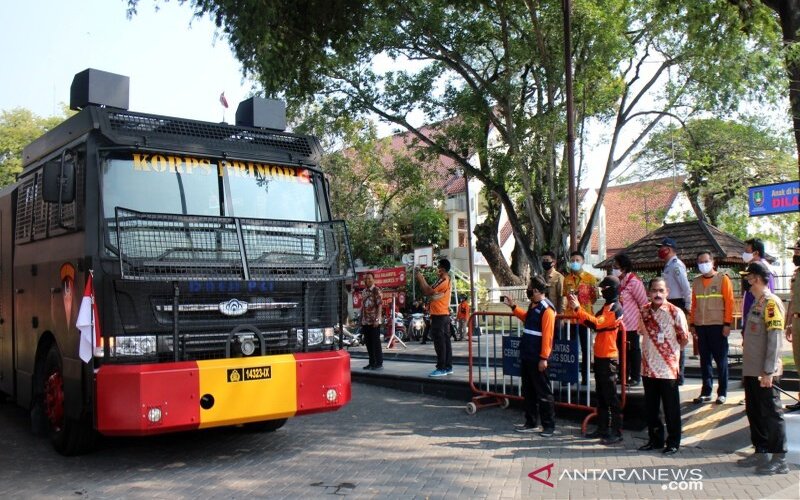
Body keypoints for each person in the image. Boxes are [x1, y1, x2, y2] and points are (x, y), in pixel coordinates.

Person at [736, 261, 788, 475]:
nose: (746, 281)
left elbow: (775, 340)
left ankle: (779, 459)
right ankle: (761, 452)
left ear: (756, 278)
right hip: (751, 370)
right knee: (755, 412)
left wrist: (768, 371)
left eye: (748, 278)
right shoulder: (757, 303)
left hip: (764, 372)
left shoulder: (770, 303)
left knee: (771, 414)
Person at [569, 276, 623, 445]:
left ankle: (616, 431)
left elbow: (597, 324)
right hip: (600, 356)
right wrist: (577, 310)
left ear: (612, 289)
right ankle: (602, 428)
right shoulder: (606, 306)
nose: (602, 291)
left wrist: (578, 308)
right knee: (601, 396)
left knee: (610, 396)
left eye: (604, 288)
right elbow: (591, 322)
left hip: (608, 357)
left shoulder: (615, 308)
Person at [637, 277, 688, 456]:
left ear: (667, 292)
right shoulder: (643, 311)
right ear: (649, 292)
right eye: (654, 291)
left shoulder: (675, 312)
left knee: (671, 408)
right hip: (648, 366)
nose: (657, 294)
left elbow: (684, 339)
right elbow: (640, 331)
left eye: (661, 291)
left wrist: (669, 353)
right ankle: (655, 440)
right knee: (652, 408)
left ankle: (673, 442)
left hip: (667, 367)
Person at [505, 276, 558, 437]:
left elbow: (548, 336)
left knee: (543, 392)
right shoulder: (534, 305)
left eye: (529, 288)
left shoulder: (547, 309)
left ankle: (548, 426)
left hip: (537, 357)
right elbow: (528, 320)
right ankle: (531, 422)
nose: (527, 290)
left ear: (535, 290)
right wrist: (514, 307)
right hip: (527, 354)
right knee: (528, 391)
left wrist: (543, 358)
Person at [689, 251, 734, 405]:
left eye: (705, 261)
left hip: (718, 325)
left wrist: (727, 324)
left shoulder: (723, 279)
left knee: (721, 360)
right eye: (700, 262)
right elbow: (693, 305)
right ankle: (706, 391)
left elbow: (729, 302)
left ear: (713, 262)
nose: (703, 264)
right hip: (701, 326)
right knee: (705, 360)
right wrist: (692, 324)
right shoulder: (696, 282)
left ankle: (722, 392)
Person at [657, 237, 691, 385]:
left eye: (662, 247)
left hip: (677, 303)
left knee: (679, 340)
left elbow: (685, 287)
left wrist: (688, 305)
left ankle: (679, 375)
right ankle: (671, 370)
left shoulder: (676, 265)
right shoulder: (668, 265)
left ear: (669, 249)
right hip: (669, 303)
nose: (660, 250)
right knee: (667, 339)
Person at [562, 251, 597, 385]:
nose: (575, 262)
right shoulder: (567, 279)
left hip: (585, 319)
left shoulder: (591, 278)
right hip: (570, 319)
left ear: (583, 261)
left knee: (586, 349)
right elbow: (565, 297)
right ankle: (569, 376)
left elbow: (593, 299)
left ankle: (585, 378)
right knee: (570, 349)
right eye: (572, 260)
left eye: (577, 260)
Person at [613, 253, 648, 387]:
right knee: (621, 351)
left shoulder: (634, 282)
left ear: (624, 267)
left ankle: (635, 377)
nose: (614, 269)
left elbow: (643, 303)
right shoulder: (619, 282)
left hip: (632, 324)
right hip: (619, 324)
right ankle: (622, 376)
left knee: (633, 351)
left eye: (616, 266)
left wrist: (643, 323)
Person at [416, 259, 453, 377]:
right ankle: (448, 367)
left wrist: (420, 278)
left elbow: (427, 290)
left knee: (440, 343)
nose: (437, 269)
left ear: (442, 268)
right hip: (443, 315)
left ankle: (441, 368)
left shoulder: (443, 279)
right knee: (446, 342)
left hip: (440, 316)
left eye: (438, 267)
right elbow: (428, 290)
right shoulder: (444, 280)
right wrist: (421, 279)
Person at [742, 238, 775, 321]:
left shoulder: (764, 270)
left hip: (759, 320)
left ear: (756, 253)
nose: (744, 254)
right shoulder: (753, 268)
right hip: (752, 319)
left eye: (747, 251)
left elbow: (767, 296)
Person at [786, 238, 800, 412]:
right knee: (798, 360)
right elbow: (792, 300)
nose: (795, 254)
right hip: (797, 320)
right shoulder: (796, 273)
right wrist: (788, 323)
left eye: (797, 251)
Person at [360, 272, 383, 371]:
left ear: (373, 279)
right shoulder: (364, 291)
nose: (367, 280)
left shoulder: (376, 290)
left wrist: (377, 319)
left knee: (375, 343)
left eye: (369, 278)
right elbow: (363, 306)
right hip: (365, 322)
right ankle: (371, 362)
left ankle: (378, 363)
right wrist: (361, 319)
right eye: (366, 279)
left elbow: (380, 305)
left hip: (374, 322)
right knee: (368, 343)